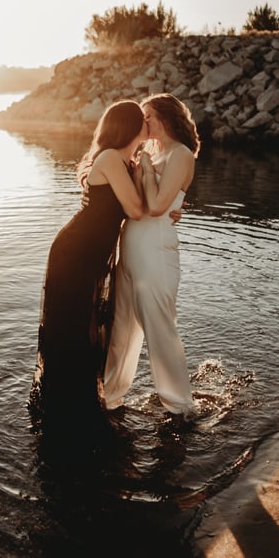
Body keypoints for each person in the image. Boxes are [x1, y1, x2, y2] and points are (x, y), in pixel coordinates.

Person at [30, 100, 147, 434]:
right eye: (143, 120)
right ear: (130, 126)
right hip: (75, 253)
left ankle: (78, 402)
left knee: (88, 328)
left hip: (91, 255)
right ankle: (65, 407)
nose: (147, 125)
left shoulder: (126, 160)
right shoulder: (111, 158)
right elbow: (136, 210)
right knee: (73, 329)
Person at [103, 93, 201, 419]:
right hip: (129, 252)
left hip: (156, 255)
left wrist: (144, 170)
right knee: (121, 332)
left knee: (160, 333)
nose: (142, 124)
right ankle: (111, 397)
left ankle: (179, 408)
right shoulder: (149, 153)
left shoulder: (181, 154)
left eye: (147, 117)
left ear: (164, 117)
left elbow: (157, 207)